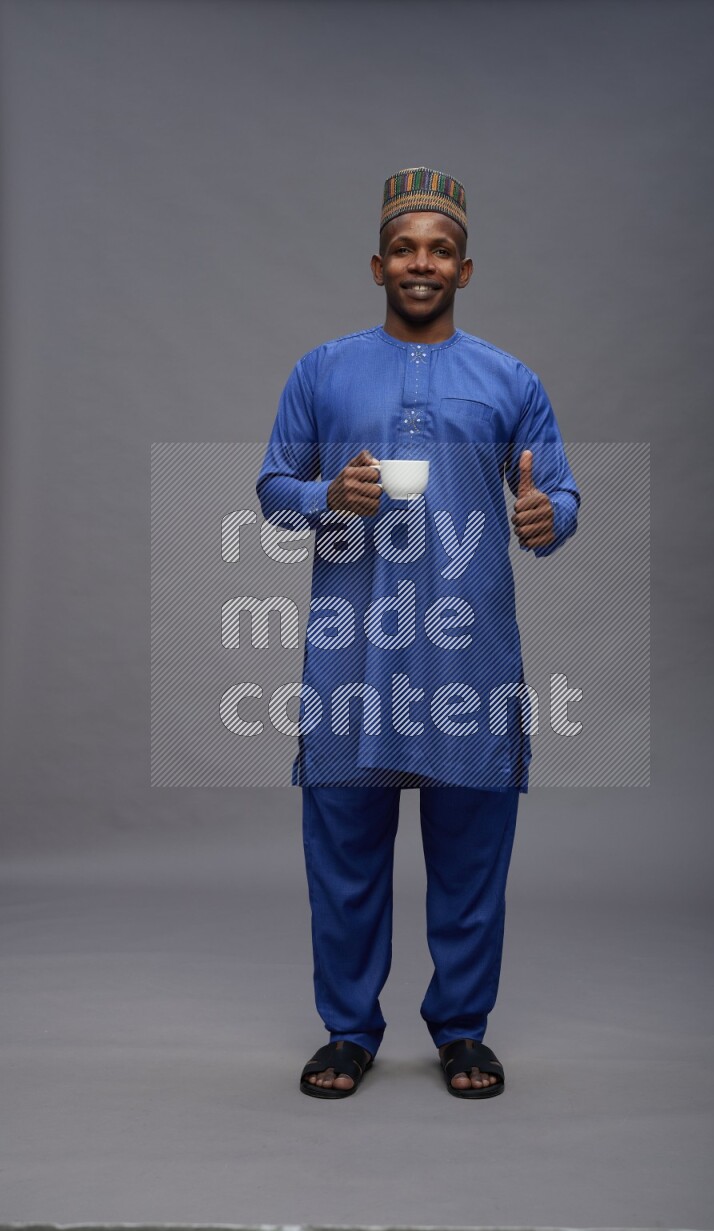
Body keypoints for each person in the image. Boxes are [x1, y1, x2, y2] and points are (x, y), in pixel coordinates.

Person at [256, 167, 580, 1099]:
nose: (421, 262)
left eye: (439, 248)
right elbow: (275, 489)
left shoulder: (509, 379)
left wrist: (545, 519)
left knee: (472, 858)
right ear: (376, 263)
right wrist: (328, 496)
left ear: (466, 268)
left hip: (469, 657)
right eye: (405, 247)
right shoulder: (321, 370)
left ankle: (464, 1031)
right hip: (352, 656)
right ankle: (348, 1031)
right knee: (345, 856)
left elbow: (559, 497)